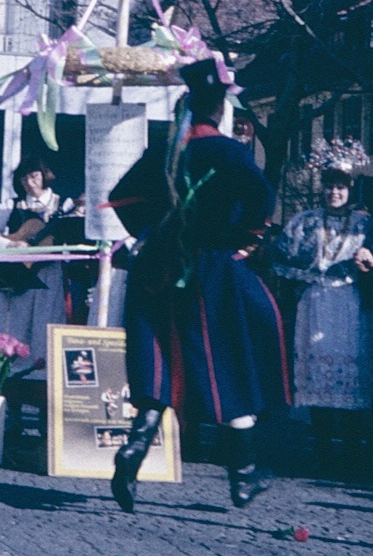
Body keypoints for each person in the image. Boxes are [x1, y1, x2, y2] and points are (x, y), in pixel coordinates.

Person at [110, 58, 288, 513]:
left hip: (160, 267)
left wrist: (155, 229)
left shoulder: (164, 151)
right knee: (228, 360)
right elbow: (261, 197)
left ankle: (133, 453)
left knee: (162, 360)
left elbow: (122, 197)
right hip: (210, 267)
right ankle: (244, 476)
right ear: (220, 109)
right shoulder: (230, 152)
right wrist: (243, 239)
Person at [266, 138, 373, 470]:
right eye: (330, 186)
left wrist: (368, 264)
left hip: (351, 302)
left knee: (352, 370)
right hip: (316, 300)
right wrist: (304, 273)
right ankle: (322, 441)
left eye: (341, 187)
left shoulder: (364, 225)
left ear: (350, 189)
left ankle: (352, 443)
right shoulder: (305, 221)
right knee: (318, 372)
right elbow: (281, 256)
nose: (335, 193)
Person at [0, 155, 75, 374]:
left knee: (44, 326)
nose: (29, 183)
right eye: (23, 179)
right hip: (16, 273)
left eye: (33, 176)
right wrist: (9, 245)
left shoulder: (61, 204)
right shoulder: (9, 206)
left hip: (48, 273)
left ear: (44, 176)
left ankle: (41, 381)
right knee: (13, 326)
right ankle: (7, 379)